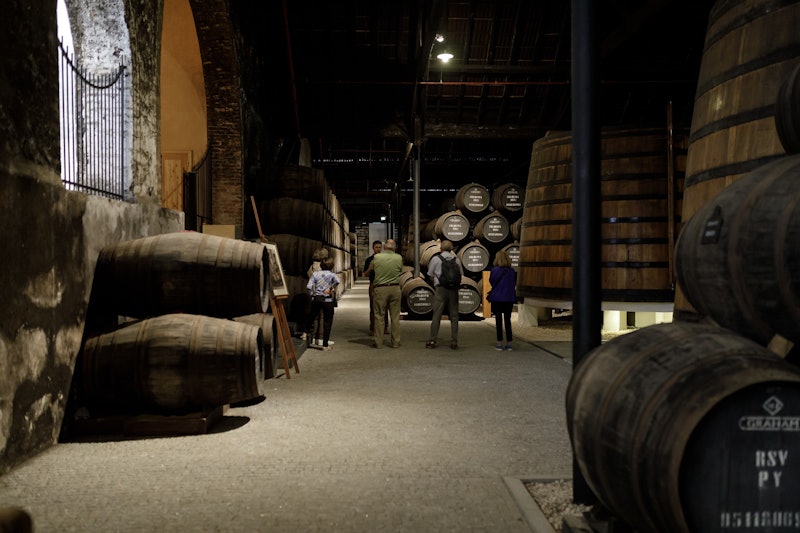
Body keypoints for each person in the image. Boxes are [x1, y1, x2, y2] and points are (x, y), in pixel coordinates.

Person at [426, 240, 464, 350]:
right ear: (451, 249)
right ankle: (454, 341)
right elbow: (461, 275)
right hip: (453, 290)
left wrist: (437, 282)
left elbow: (430, 274)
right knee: (454, 316)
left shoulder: (436, 259)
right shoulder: (456, 260)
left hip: (441, 289)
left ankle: (432, 340)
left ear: (441, 249)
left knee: (437, 315)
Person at [370, 238, 403, 349]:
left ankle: (378, 342)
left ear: (384, 247)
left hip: (381, 289)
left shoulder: (377, 257)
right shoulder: (399, 257)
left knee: (379, 316)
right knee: (395, 317)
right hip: (395, 288)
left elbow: (372, 269)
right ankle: (396, 342)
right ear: (394, 248)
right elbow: (400, 270)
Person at [303, 256, 340, 351]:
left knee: (312, 316)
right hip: (328, 301)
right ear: (332, 266)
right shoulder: (332, 275)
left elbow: (309, 286)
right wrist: (330, 288)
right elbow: (337, 281)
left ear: (321, 265)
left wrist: (312, 294)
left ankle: (304, 333)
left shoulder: (315, 274)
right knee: (327, 322)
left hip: (317, 299)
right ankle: (325, 345)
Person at [488, 250, 517, 351]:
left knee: (498, 321)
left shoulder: (494, 270)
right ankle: (509, 343)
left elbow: (491, 282)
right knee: (508, 321)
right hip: (509, 298)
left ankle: (499, 343)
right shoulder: (512, 271)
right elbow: (513, 283)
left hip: (497, 298)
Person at [305, 247, 332, 347]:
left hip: (314, 294)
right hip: (322, 294)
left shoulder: (312, 266)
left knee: (315, 317)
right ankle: (320, 338)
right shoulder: (322, 267)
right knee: (322, 317)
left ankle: (313, 338)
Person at [363, 240, 387, 336]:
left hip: (383, 284)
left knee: (384, 307)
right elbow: (365, 274)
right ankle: (373, 328)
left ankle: (385, 327)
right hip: (373, 284)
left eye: (379, 247)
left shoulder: (385, 259)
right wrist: (370, 268)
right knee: (373, 307)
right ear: (373, 248)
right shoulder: (369, 260)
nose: (378, 249)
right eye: (376, 247)